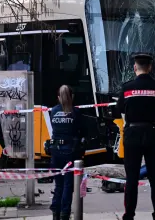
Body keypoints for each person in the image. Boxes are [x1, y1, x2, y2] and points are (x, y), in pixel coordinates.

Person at [116, 53, 155, 220]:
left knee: (131, 178)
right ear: (150, 67)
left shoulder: (127, 87)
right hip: (153, 133)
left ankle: (129, 214)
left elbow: (120, 109)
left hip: (132, 134)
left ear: (134, 67)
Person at [49, 85, 85, 220]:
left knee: (58, 184)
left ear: (58, 97)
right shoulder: (76, 112)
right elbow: (82, 130)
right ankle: (65, 213)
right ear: (72, 97)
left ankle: (55, 212)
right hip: (71, 152)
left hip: (56, 151)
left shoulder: (53, 111)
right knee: (68, 185)